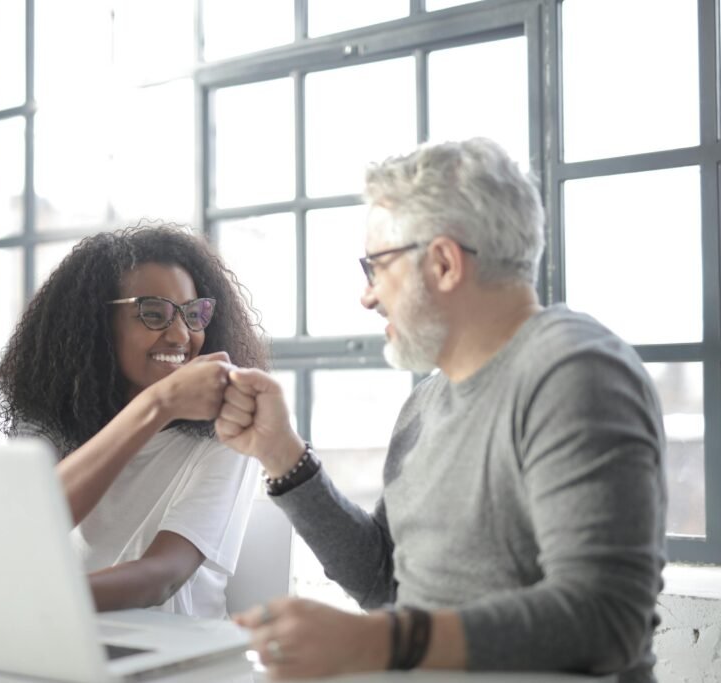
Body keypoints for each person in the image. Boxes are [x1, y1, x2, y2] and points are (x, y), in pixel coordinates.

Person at [215, 138, 666, 681]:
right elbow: (385, 582)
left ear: (445, 263)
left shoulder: (574, 373)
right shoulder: (424, 402)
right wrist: (279, 451)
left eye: (375, 267)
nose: (367, 296)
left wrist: (378, 642)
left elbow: (605, 619)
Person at [0, 224, 268, 618]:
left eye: (194, 314)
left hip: (178, 654)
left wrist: (38, 601)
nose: (181, 335)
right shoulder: (47, 418)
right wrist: (157, 405)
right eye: (153, 313)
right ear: (95, 322)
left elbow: (161, 578)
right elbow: (30, 524)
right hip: (67, 636)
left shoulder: (228, 429)